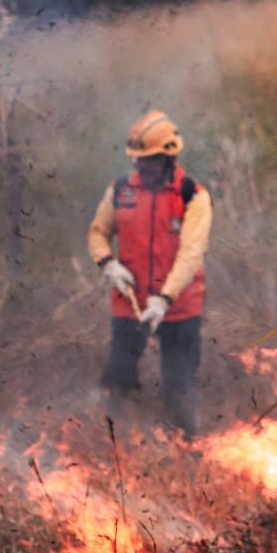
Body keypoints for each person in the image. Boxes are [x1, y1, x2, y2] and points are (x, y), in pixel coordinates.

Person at [87, 110, 213, 440]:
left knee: (179, 386)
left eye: (149, 161)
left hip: (179, 308)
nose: (141, 167)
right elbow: (98, 232)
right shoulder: (120, 190)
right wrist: (107, 263)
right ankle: (110, 446)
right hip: (130, 305)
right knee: (117, 380)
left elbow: (191, 253)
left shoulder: (192, 196)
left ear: (169, 156)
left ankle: (187, 452)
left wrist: (165, 299)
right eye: (137, 160)